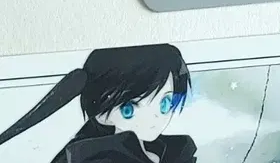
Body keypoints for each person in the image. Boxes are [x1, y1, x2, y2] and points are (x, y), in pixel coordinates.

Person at [0, 44, 195, 163]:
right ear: (100, 112)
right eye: (128, 109)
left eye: (165, 103)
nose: (153, 119)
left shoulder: (169, 150)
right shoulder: (93, 157)